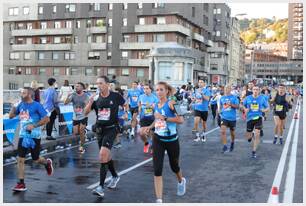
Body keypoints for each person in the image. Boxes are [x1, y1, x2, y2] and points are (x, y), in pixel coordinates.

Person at [84, 76, 128, 198]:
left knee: (102, 155)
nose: (98, 85)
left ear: (107, 84)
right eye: (97, 83)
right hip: (99, 130)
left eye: (101, 83)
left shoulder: (115, 96)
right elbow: (85, 112)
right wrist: (90, 102)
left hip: (112, 129)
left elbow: (125, 104)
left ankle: (100, 187)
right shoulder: (96, 98)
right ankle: (115, 176)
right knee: (106, 157)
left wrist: (125, 113)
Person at [143, 81, 186, 203]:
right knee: (157, 169)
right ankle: (159, 200)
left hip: (172, 140)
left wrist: (165, 118)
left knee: (174, 166)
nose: (159, 92)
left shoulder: (172, 103)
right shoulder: (156, 104)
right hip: (158, 139)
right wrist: (150, 127)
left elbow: (181, 120)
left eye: (161, 89)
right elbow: (158, 120)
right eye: (157, 90)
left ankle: (181, 180)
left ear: (167, 91)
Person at [9, 87, 53, 192]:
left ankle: (47, 163)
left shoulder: (37, 105)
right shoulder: (21, 105)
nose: (21, 94)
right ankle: (21, 183)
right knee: (20, 159)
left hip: (34, 136)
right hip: (23, 135)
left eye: (23, 93)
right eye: (21, 92)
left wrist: (34, 125)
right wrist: (14, 106)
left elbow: (47, 119)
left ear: (29, 94)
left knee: (36, 158)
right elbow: (11, 116)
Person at [243, 86, 269, 158]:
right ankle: (250, 137)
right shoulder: (248, 98)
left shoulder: (262, 98)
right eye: (254, 89)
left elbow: (267, 107)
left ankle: (254, 151)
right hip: (249, 118)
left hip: (258, 117)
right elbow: (242, 105)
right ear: (252, 90)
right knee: (249, 136)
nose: (255, 91)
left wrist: (264, 110)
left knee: (257, 134)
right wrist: (245, 109)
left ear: (259, 91)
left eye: (257, 89)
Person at [64, 82, 89, 153]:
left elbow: (88, 106)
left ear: (82, 88)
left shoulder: (86, 96)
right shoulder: (73, 95)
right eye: (76, 86)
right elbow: (65, 103)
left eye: (78, 86)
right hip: (75, 117)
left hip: (83, 116)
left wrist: (86, 111)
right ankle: (84, 133)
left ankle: (82, 146)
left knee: (81, 131)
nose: (76, 87)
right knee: (75, 132)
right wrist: (68, 96)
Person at [218, 85, 239, 153]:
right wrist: (218, 112)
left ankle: (232, 142)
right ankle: (225, 146)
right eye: (225, 88)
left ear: (230, 89)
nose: (226, 89)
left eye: (228, 88)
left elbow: (237, 106)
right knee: (223, 131)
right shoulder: (222, 98)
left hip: (232, 118)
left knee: (232, 133)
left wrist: (231, 104)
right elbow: (220, 107)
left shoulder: (234, 97)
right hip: (224, 117)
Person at [138, 84, 159, 153]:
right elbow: (139, 105)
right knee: (141, 133)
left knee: (152, 134)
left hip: (152, 118)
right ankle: (146, 143)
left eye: (147, 88)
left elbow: (157, 108)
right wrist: (139, 112)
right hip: (143, 117)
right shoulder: (141, 96)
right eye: (144, 89)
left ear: (150, 89)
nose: (145, 90)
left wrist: (151, 106)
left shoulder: (155, 98)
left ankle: (153, 145)